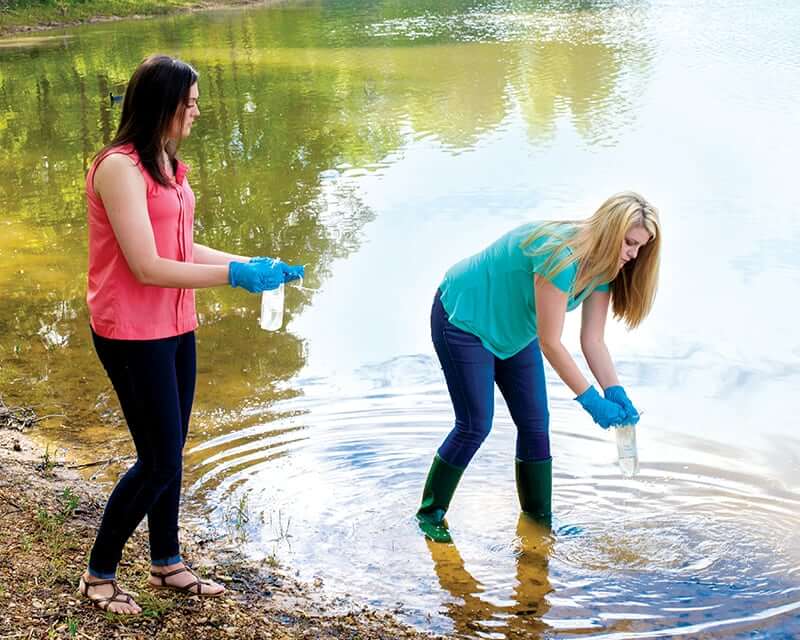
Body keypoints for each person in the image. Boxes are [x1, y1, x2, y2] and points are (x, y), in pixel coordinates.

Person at [78, 54, 303, 614]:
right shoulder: (119, 168)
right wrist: (232, 276)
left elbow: (180, 251)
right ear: (162, 105)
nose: (198, 112)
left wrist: (251, 262)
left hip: (175, 323)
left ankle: (166, 562)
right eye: (191, 103)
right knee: (158, 459)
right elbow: (146, 266)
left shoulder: (166, 164)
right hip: (130, 330)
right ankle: (98, 574)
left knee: (170, 450)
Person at [416, 192, 661, 543]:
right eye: (629, 243)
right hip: (464, 319)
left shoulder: (605, 270)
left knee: (535, 424)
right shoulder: (558, 254)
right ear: (609, 230)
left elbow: (593, 341)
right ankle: (430, 513)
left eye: (640, 248)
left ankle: (537, 522)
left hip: (516, 332)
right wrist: (591, 401)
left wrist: (615, 391)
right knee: (475, 425)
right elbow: (551, 342)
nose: (632, 255)